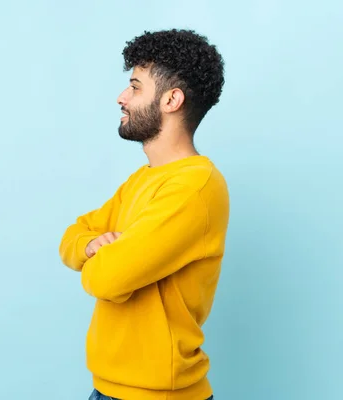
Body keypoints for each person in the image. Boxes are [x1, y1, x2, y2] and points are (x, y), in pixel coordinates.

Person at [58, 29, 229, 400]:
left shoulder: (194, 187)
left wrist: (97, 259)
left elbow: (106, 280)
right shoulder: (143, 179)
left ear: (171, 99)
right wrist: (92, 246)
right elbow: (72, 237)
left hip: (158, 395)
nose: (122, 97)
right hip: (108, 388)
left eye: (135, 87)